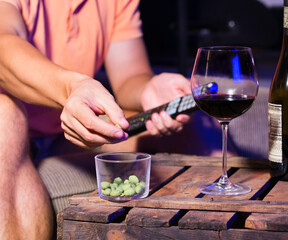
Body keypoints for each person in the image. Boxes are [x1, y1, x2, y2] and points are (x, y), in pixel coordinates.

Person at [0, 0, 207, 239]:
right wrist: (72, 89)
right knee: (6, 116)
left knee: (192, 131)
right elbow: (3, 47)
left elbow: (130, 75)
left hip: (65, 134)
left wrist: (148, 88)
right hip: (13, 129)